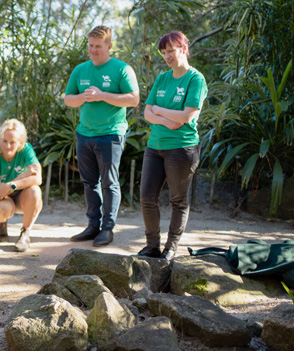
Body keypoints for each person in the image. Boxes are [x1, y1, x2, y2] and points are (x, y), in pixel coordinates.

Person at [64, 26, 139, 247]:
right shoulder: (80, 70)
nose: (93, 50)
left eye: (98, 46)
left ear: (109, 46)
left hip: (111, 134)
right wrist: (83, 98)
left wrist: (102, 96)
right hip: (84, 134)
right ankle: (92, 226)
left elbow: (134, 99)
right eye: (90, 45)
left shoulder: (122, 69)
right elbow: (69, 99)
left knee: (109, 182)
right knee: (89, 183)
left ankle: (108, 228)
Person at [136, 31, 207, 261]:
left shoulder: (195, 79)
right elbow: (147, 112)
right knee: (147, 196)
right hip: (155, 146)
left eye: (171, 51)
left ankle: (170, 249)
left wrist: (160, 110)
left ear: (184, 49)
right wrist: (167, 119)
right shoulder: (162, 79)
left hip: (182, 148)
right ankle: (152, 247)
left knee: (178, 200)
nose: (167, 56)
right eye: (163, 52)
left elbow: (186, 116)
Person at [0, 119, 42, 252]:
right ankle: (1, 222)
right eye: (5, 141)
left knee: (35, 191)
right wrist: (25, 175)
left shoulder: (26, 149)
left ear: (20, 142)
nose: (8, 146)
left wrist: (11, 185)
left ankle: (25, 233)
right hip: (1, 197)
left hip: (21, 193)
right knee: (3, 208)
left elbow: (38, 178)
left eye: (12, 142)